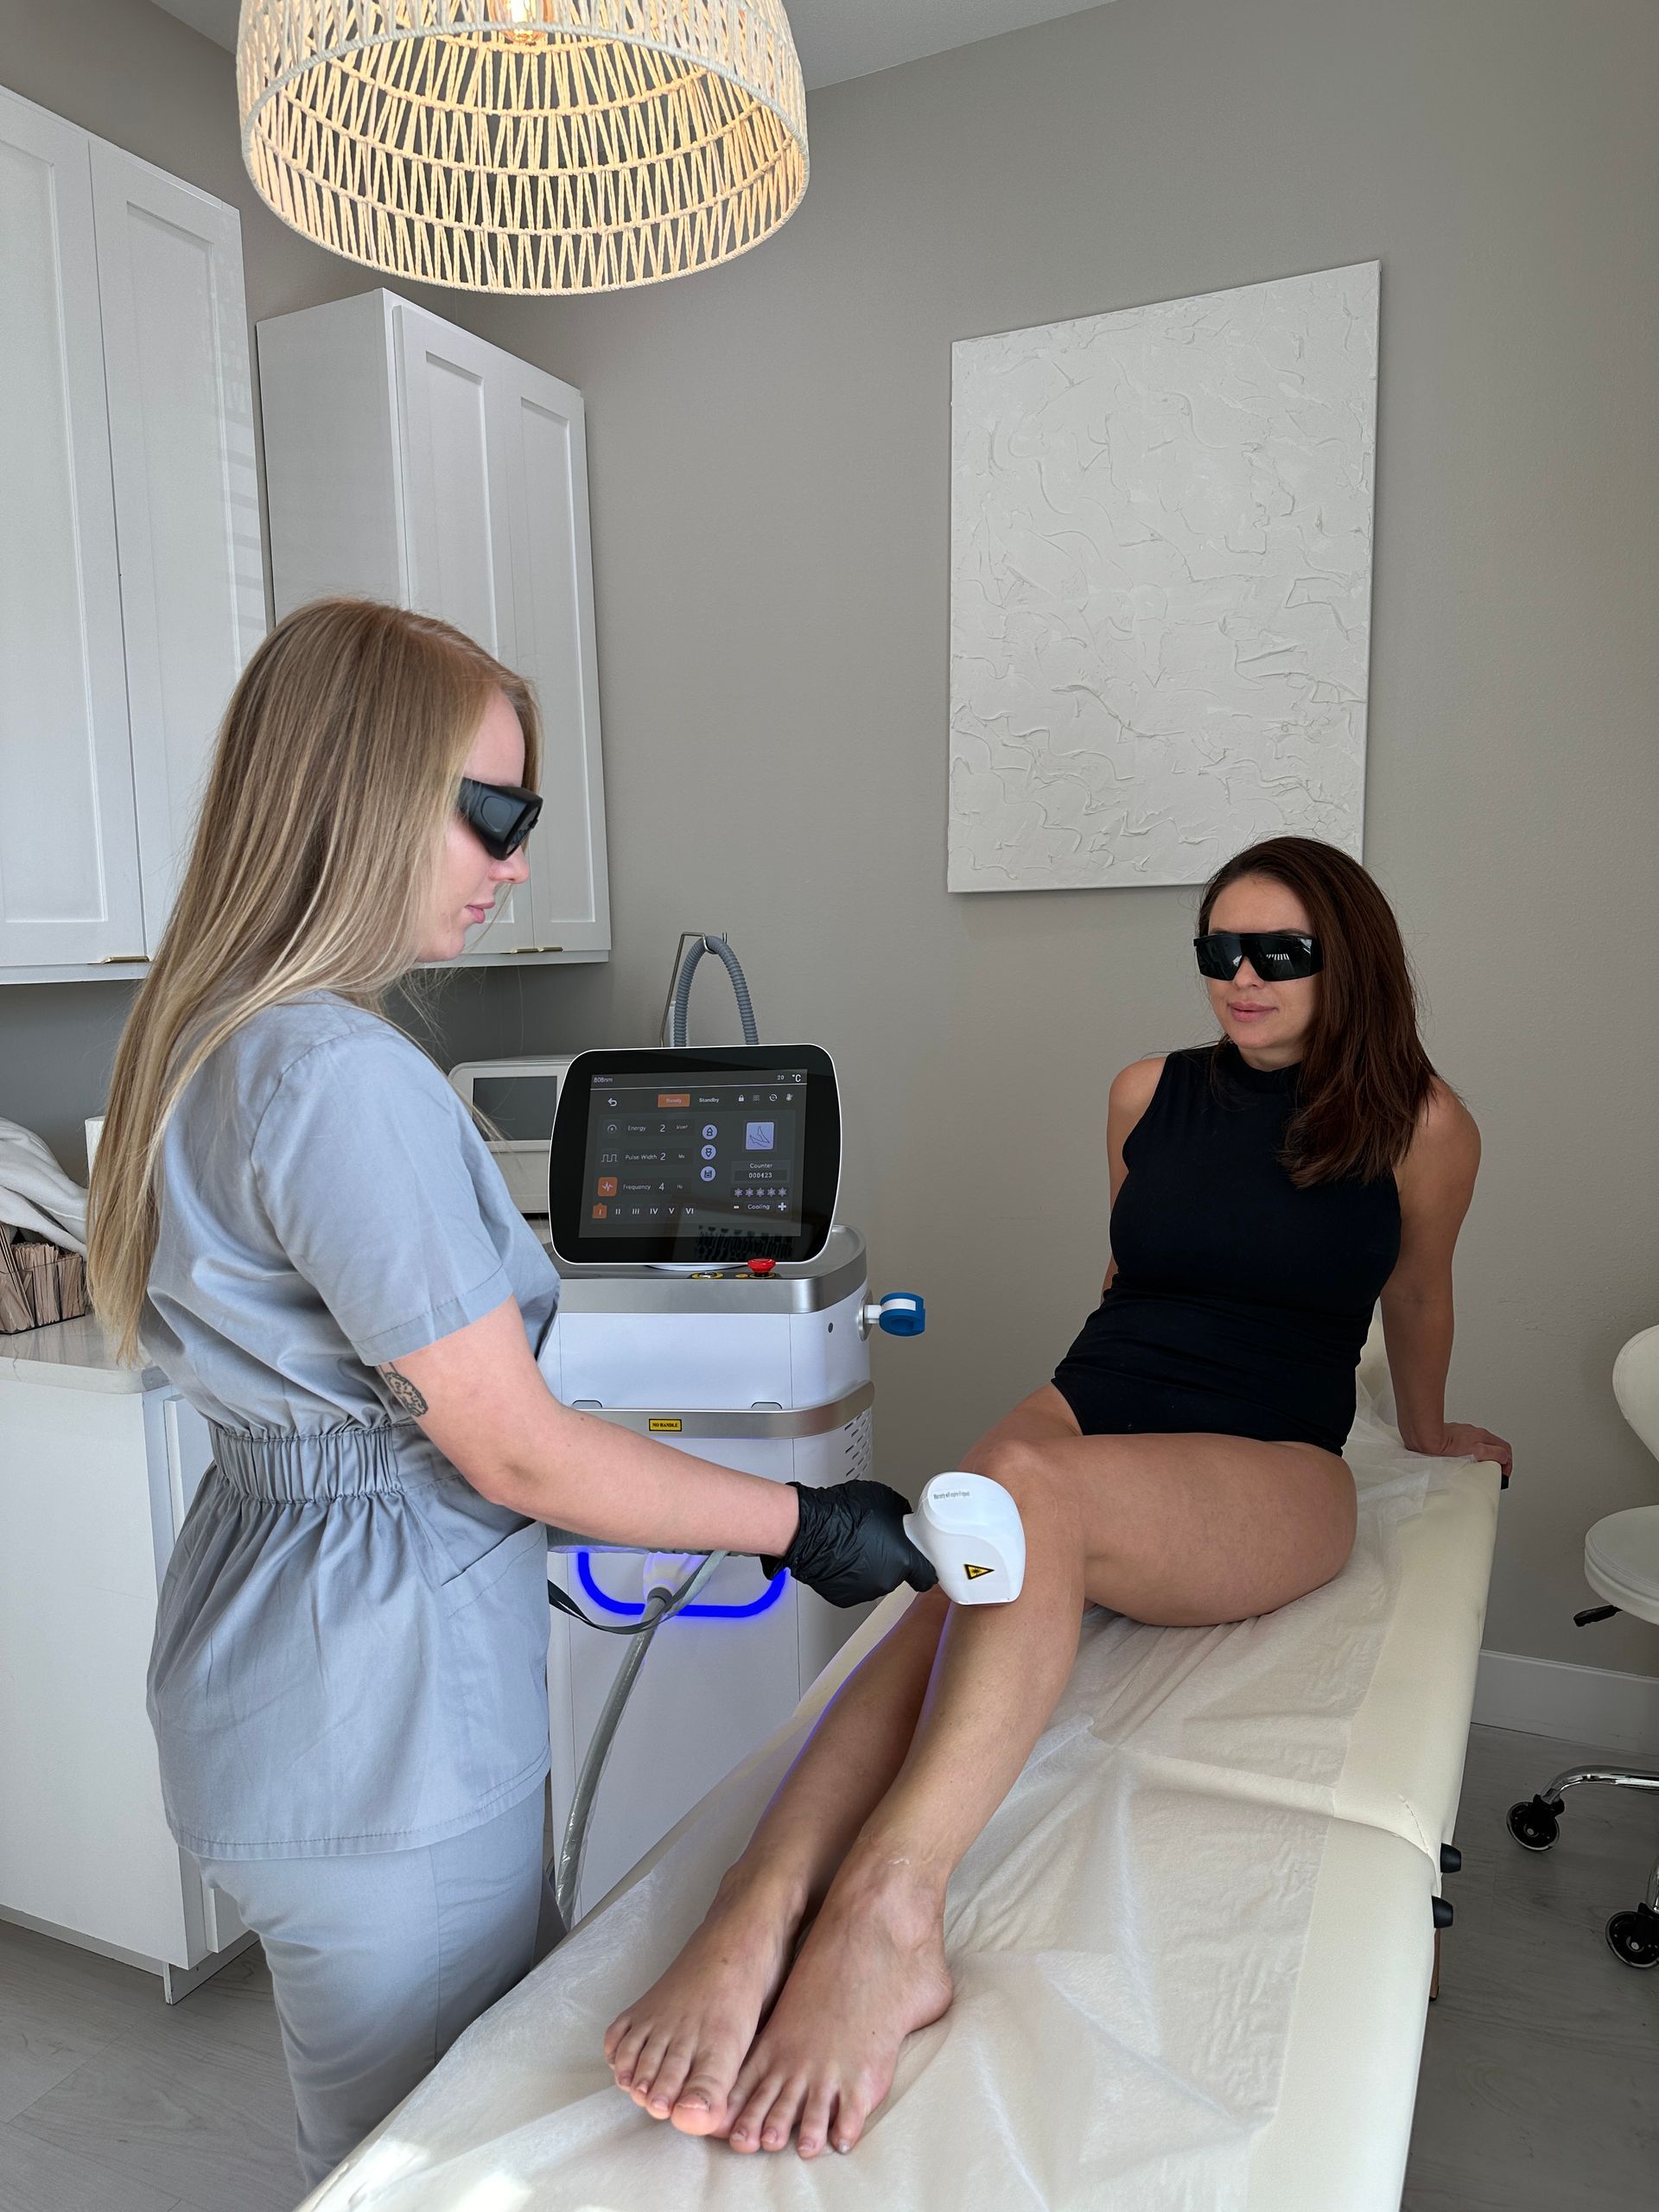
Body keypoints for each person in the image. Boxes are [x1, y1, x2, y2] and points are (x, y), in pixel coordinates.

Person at [87, 597, 933, 2190]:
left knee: (395, 2134)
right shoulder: (337, 1077)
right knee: (436, 2159)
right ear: (360, 791)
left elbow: (410, 1434)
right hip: (381, 1731)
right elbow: (519, 1451)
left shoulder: (203, 1044)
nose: (516, 861)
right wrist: (808, 1521)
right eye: (495, 814)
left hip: (275, 1685)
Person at [602, 834, 1514, 2162]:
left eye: (1278, 954)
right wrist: (1080, 1431)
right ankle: (760, 1900)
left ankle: (888, 1913)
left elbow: (1418, 1293)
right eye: (1217, 953)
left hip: (1273, 1455)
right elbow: (1127, 1281)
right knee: (953, 1564)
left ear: (1350, 960)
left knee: (1011, 1512)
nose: (1240, 978)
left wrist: (1428, 1433)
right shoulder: (1146, 1092)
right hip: (1100, 1398)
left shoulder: (1424, 1125)